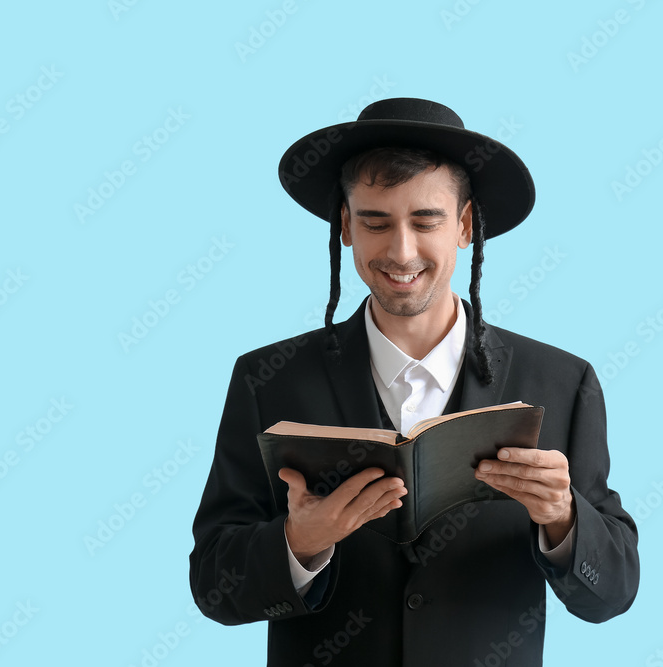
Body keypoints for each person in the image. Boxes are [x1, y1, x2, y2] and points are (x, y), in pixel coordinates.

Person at [189, 97, 639, 667]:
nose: (401, 252)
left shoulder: (562, 382)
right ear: (346, 227)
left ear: (467, 225)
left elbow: (614, 593)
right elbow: (213, 586)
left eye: (425, 221)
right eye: (376, 222)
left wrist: (563, 517)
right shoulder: (266, 379)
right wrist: (299, 543)